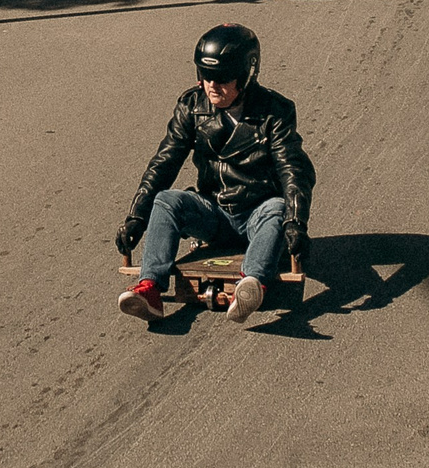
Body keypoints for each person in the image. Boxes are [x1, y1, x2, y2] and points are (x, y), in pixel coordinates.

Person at [116, 24, 314, 324]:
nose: (212, 86)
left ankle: (251, 286)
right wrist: (136, 217)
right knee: (167, 201)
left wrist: (296, 222)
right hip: (214, 212)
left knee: (277, 207)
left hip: (257, 214)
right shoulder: (191, 107)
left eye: (222, 79)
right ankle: (150, 289)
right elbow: (164, 162)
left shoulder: (275, 111)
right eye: (205, 77)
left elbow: (293, 170)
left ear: (246, 76)